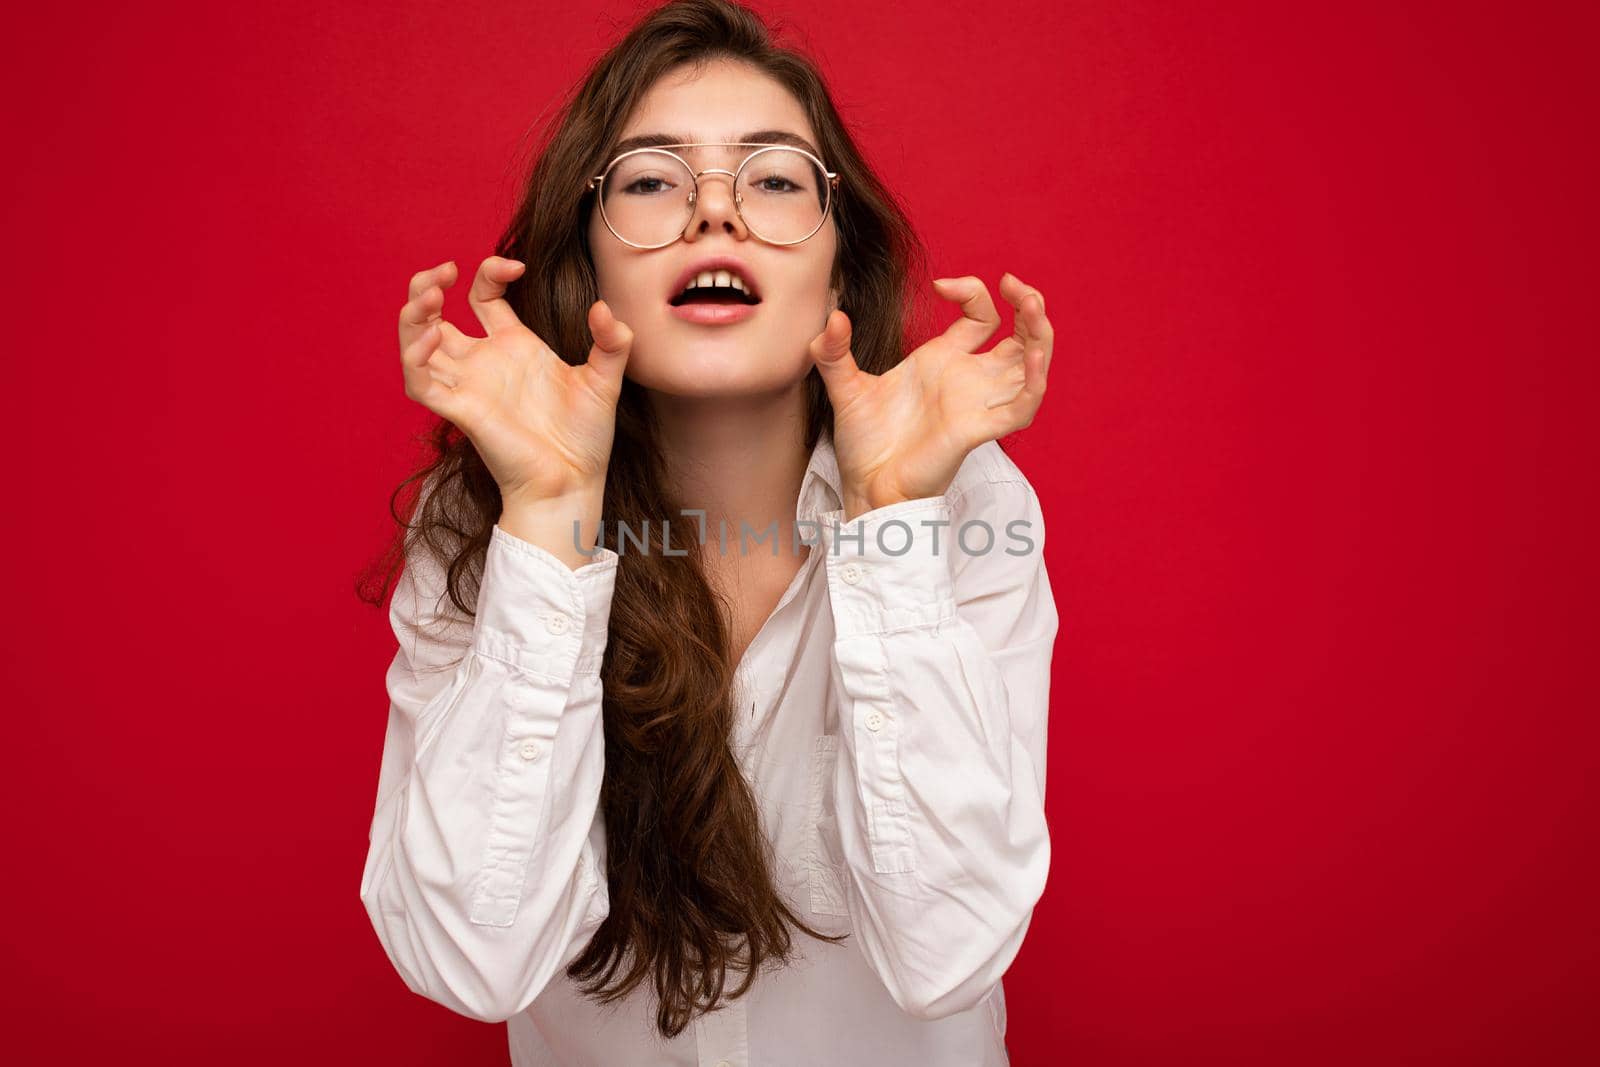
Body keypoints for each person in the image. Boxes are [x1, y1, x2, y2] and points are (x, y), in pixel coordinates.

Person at [356, 1, 1058, 1063]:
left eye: (774, 179)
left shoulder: (963, 503)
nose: (715, 214)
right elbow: (471, 962)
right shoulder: (485, 519)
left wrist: (888, 523)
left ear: (840, 263)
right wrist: (547, 518)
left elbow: (948, 954)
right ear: (586, 261)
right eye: (650, 180)